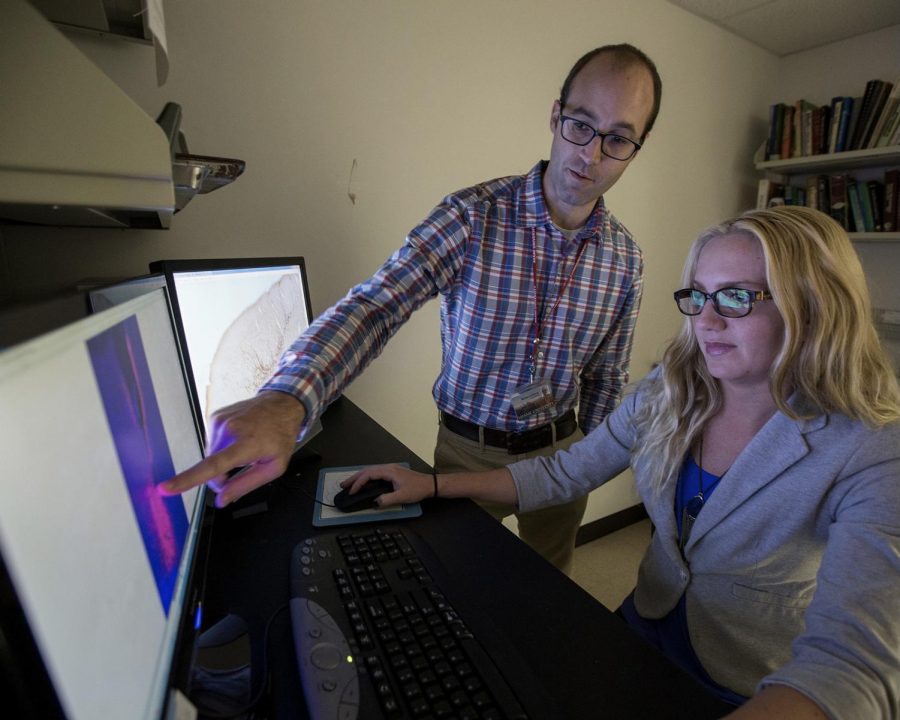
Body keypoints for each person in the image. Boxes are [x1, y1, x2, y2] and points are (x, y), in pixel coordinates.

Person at [340, 205, 900, 718]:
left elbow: (853, 667)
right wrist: (433, 484)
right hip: (642, 626)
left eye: (736, 297)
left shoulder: (872, 448)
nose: (705, 321)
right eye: (698, 295)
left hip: (747, 681)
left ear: (814, 303)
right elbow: (566, 470)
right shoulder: (672, 390)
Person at [160, 43, 663, 575]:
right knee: (460, 587)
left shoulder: (626, 258)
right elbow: (376, 306)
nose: (591, 154)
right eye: (581, 125)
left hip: (563, 455)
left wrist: (591, 462)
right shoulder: (472, 217)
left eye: (618, 138)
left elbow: (608, 378)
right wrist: (289, 400)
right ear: (556, 116)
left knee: (548, 593)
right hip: (468, 451)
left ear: (637, 146)